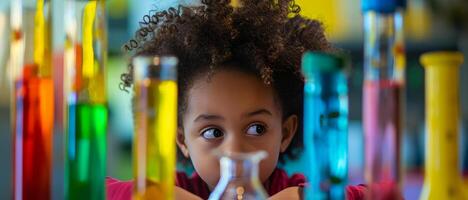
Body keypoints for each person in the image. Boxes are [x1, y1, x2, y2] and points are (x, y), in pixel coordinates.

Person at [109, 0, 367, 199]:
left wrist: (301, 196)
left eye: (256, 128)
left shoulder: (292, 190)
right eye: (212, 132)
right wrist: (155, 192)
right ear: (182, 140)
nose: (234, 152)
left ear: (286, 133)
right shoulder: (177, 190)